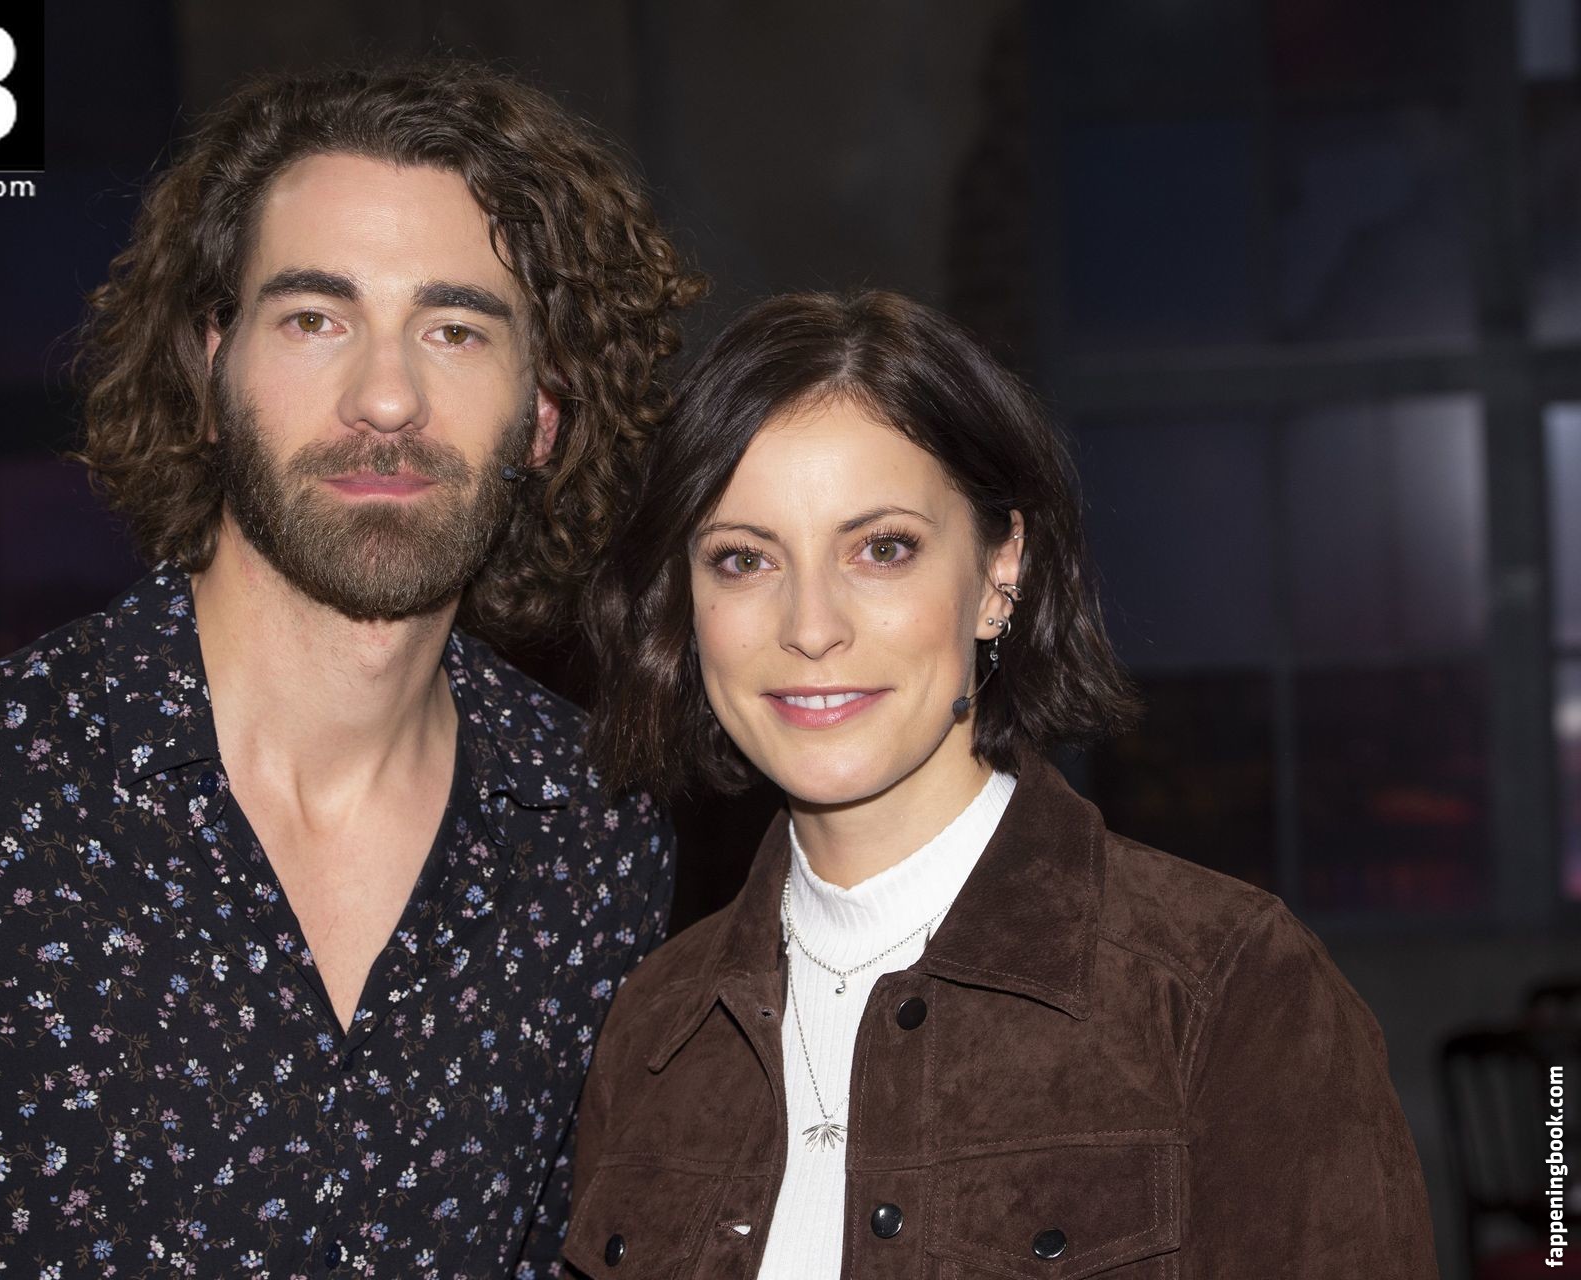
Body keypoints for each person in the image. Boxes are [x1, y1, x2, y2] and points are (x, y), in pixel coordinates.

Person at [0, 60, 702, 1278]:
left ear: (543, 411)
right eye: (315, 318)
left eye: (455, 328)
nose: (386, 396)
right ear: (212, 371)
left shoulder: (596, 837)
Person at [566, 291, 1438, 1278]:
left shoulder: (1227, 988)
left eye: (882, 548)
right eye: (743, 559)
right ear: (688, 603)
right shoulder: (652, 1026)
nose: (810, 626)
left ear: (998, 571)